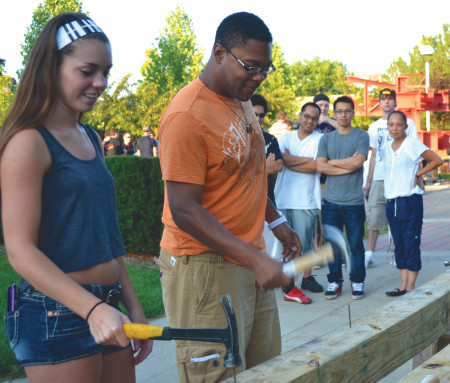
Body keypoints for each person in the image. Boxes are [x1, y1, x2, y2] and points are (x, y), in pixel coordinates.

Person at [0, 13, 152, 383]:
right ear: (51, 68)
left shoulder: (91, 137)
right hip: (56, 314)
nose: (100, 82)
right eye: (88, 70)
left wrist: (132, 304)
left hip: (106, 305)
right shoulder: (28, 142)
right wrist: (92, 309)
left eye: (106, 72)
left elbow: (106, 234)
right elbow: (20, 250)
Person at [157, 12, 301, 383]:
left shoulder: (239, 100)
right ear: (219, 52)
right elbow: (184, 209)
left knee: (267, 370)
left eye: (265, 70)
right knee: (218, 374)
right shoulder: (187, 115)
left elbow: (246, 172)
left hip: (245, 256)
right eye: (251, 67)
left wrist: (276, 221)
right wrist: (253, 258)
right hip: (203, 267)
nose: (258, 78)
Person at [383, 111, 443, 296]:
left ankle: (411, 287)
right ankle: (402, 285)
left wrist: (418, 174)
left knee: (411, 242)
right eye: (391, 124)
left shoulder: (411, 144)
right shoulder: (387, 146)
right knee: (399, 243)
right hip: (391, 201)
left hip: (409, 201)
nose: (395, 128)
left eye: (399, 125)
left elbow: (436, 159)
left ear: (406, 127)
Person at [317, 96, 370, 300]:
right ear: (334, 113)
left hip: (354, 203)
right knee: (332, 246)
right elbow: (320, 166)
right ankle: (334, 282)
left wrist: (333, 164)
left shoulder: (361, 136)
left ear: (352, 113)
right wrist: (347, 164)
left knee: (356, 244)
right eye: (339, 111)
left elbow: (358, 163)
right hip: (330, 201)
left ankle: (357, 281)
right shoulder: (326, 139)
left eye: (347, 111)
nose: (343, 115)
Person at [274, 102, 324, 304]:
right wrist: (303, 161)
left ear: (318, 121)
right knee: (286, 245)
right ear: (300, 115)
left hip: (307, 199)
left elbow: (317, 166)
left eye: (314, 118)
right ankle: (288, 283)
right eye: (307, 116)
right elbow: (280, 161)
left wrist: (290, 158)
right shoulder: (286, 136)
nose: (310, 121)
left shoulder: (320, 140)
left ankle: (307, 278)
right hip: (283, 196)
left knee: (304, 243)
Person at [364, 89, 419, 268]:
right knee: (373, 216)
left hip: (400, 177)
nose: (386, 102)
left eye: (390, 99)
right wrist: (369, 180)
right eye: (383, 99)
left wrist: (417, 176)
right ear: (378, 103)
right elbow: (373, 155)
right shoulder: (373, 126)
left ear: (395, 102)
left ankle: (399, 253)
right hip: (380, 176)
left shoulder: (408, 122)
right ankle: (370, 254)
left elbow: (416, 152)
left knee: (400, 218)